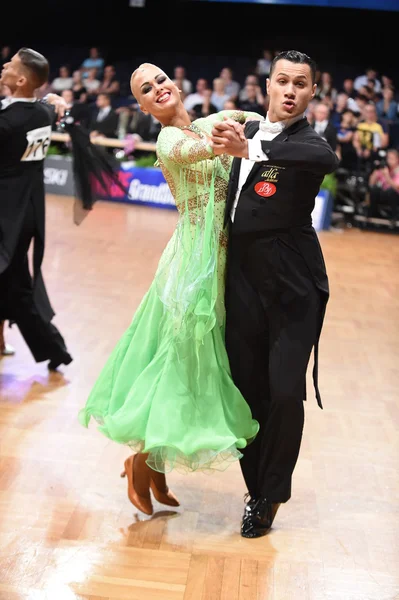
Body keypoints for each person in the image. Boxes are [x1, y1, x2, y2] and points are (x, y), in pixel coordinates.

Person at [78, 62, 262, 517]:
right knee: (175, 364)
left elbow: (252, 120)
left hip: (220, 261)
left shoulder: (204, 122)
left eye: (161, 80)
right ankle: (140, 461)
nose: (158, 88)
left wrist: (258, 120)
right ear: (140, 106)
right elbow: (208, 147)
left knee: (187, 363)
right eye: (146, 89)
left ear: (175, 85)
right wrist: (237, 131)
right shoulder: (168, 139)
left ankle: (156, 464)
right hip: (191, 266)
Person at [210, 50, 339, 538]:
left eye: (300, 84)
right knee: (247, 392)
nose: (290, 90)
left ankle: (271, 495)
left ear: (311, 93)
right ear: (267, 86)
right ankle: (255, 488)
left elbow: (323, 158)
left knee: (285, 392)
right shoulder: (238, 128)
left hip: (293, 285)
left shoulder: (306, 144)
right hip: (240, 280)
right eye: (282, 81)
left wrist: (254, 153)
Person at [0, 48, 73, 371]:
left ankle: (54, 349)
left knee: (15, 287)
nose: (4, 65)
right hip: (28, 212)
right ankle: (53, 350)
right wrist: (54, 97)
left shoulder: (7, 123)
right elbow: (42, 104)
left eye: (11, 64)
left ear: (19, 79)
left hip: (7, 216)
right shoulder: (42, 114)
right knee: (13, 285)